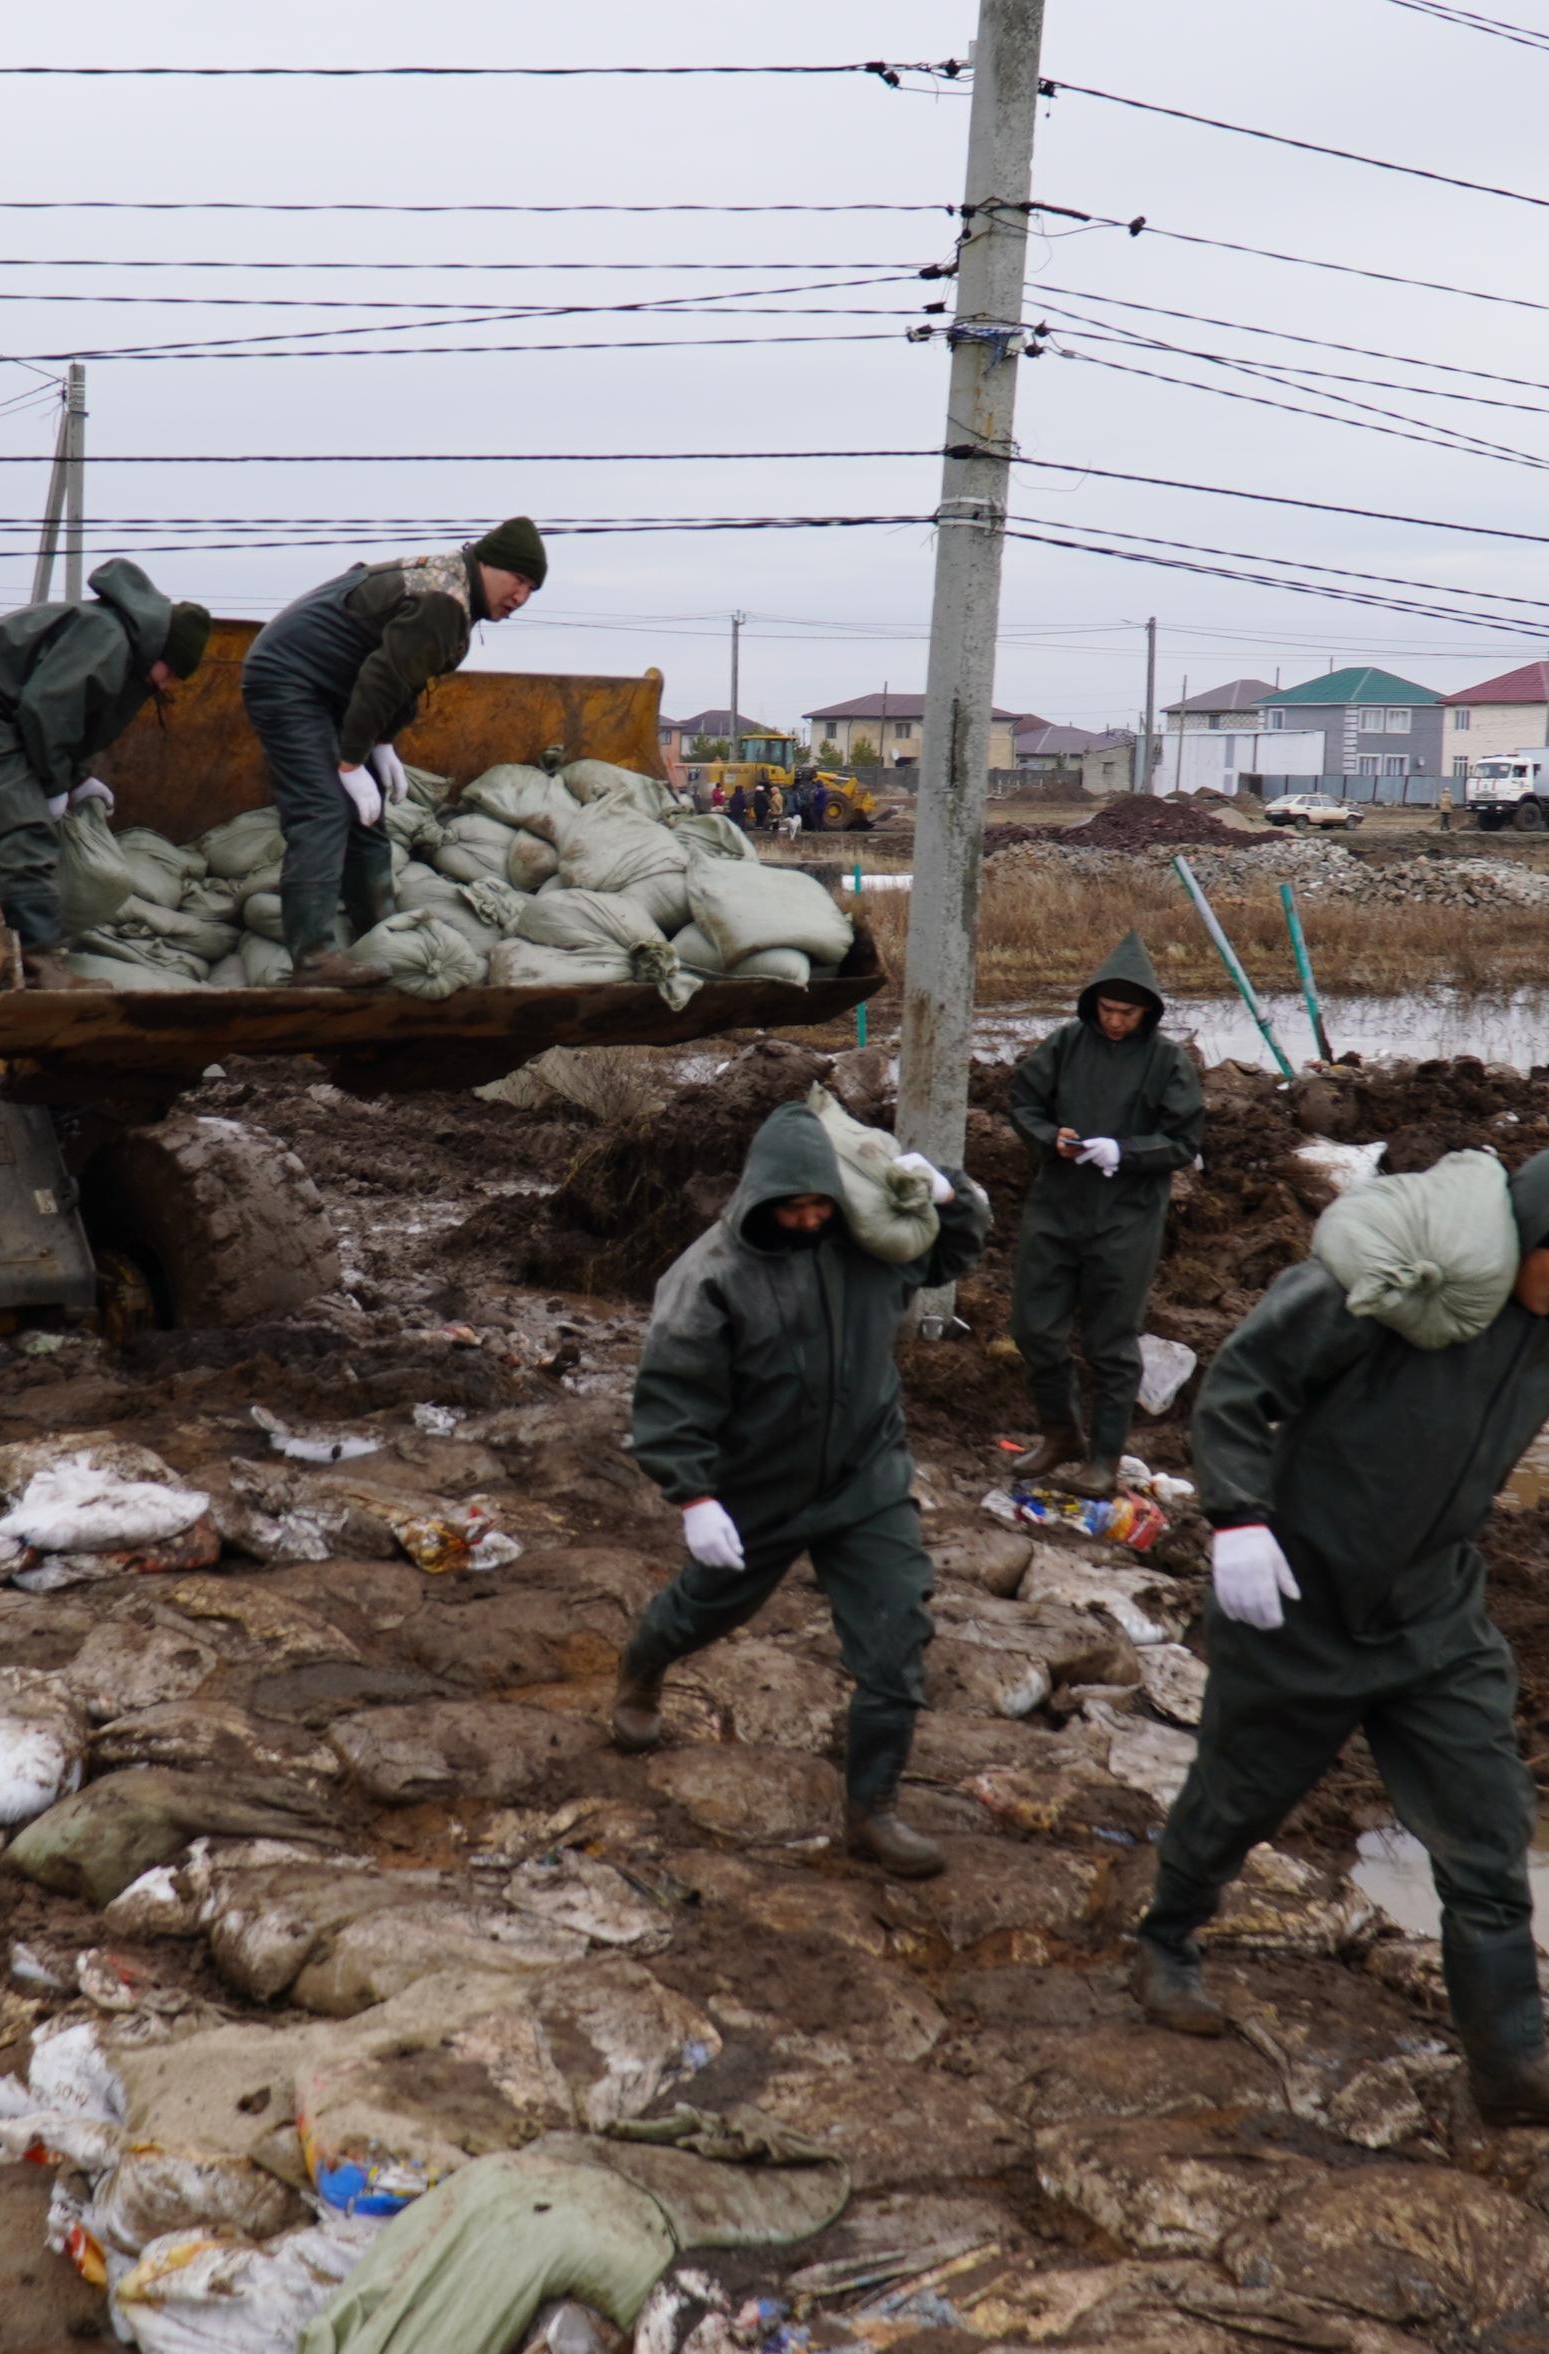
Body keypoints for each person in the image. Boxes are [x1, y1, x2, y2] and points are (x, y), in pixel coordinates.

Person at [1127, 1127, 1549, 2135]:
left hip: (1432, 1619)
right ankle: (1166, 1939)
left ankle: (1508, 2060)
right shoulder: (1393, 1290)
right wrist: (1233, 1516)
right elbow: (1238, 1384)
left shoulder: (1544, 1354)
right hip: (1297, 1602)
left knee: (1486, 1828)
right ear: (1527, 1234)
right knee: (1237, 1796)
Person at [612, 1102, 990, 1879]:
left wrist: (947, 1192)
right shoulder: (710, 1276)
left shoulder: (871, 1246)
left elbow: (952, 1253)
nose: (811, 1217)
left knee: (896, 1637)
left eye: (822, 1203)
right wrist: (695, 1498)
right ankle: (644, 1666)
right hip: (758, 1489)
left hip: (866, 1477)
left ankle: (873, 1809)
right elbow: (671, 1394)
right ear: (761, 1199)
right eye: (795, 1206)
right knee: (708, 1607)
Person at [238, 517, 545, 987]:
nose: (521, 596)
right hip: (289, 679)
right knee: (322, 809)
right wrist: (351, 759)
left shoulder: (454, 594)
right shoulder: (444, 599)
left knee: (367, 812)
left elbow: (403, 674)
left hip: (330, 687)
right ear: (486, 563)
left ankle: (379, 930)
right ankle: (314, 959)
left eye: (531, 589)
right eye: (517, 580)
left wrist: (382, 741)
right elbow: (381, 679)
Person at [0, 557, 211, 993]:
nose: (170, 686)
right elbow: (46, 710)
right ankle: (36, 965)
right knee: (27, 827)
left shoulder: (117, 642)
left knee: (9, 829)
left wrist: (74, 779)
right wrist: (52, 786)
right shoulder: (106, 637)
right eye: (174, 674)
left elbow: (65, 721)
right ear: (162, 651)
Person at [1005, 934, 1207, 1494]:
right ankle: (1061, 1433)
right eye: (1107, 1009)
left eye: (1127, 1012)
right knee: (1033, 1328)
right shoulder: (1065, 1045)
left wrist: (1127, 1151)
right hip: (1056, 1207)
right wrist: (1052, 1138)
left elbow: (1184, 1140)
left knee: (1111, 1342)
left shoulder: (1167, 1062)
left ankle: (1106, 1460)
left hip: (1128, 1217)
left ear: (1148, 1012)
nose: (1115, 1021)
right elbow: (1023, 1103)